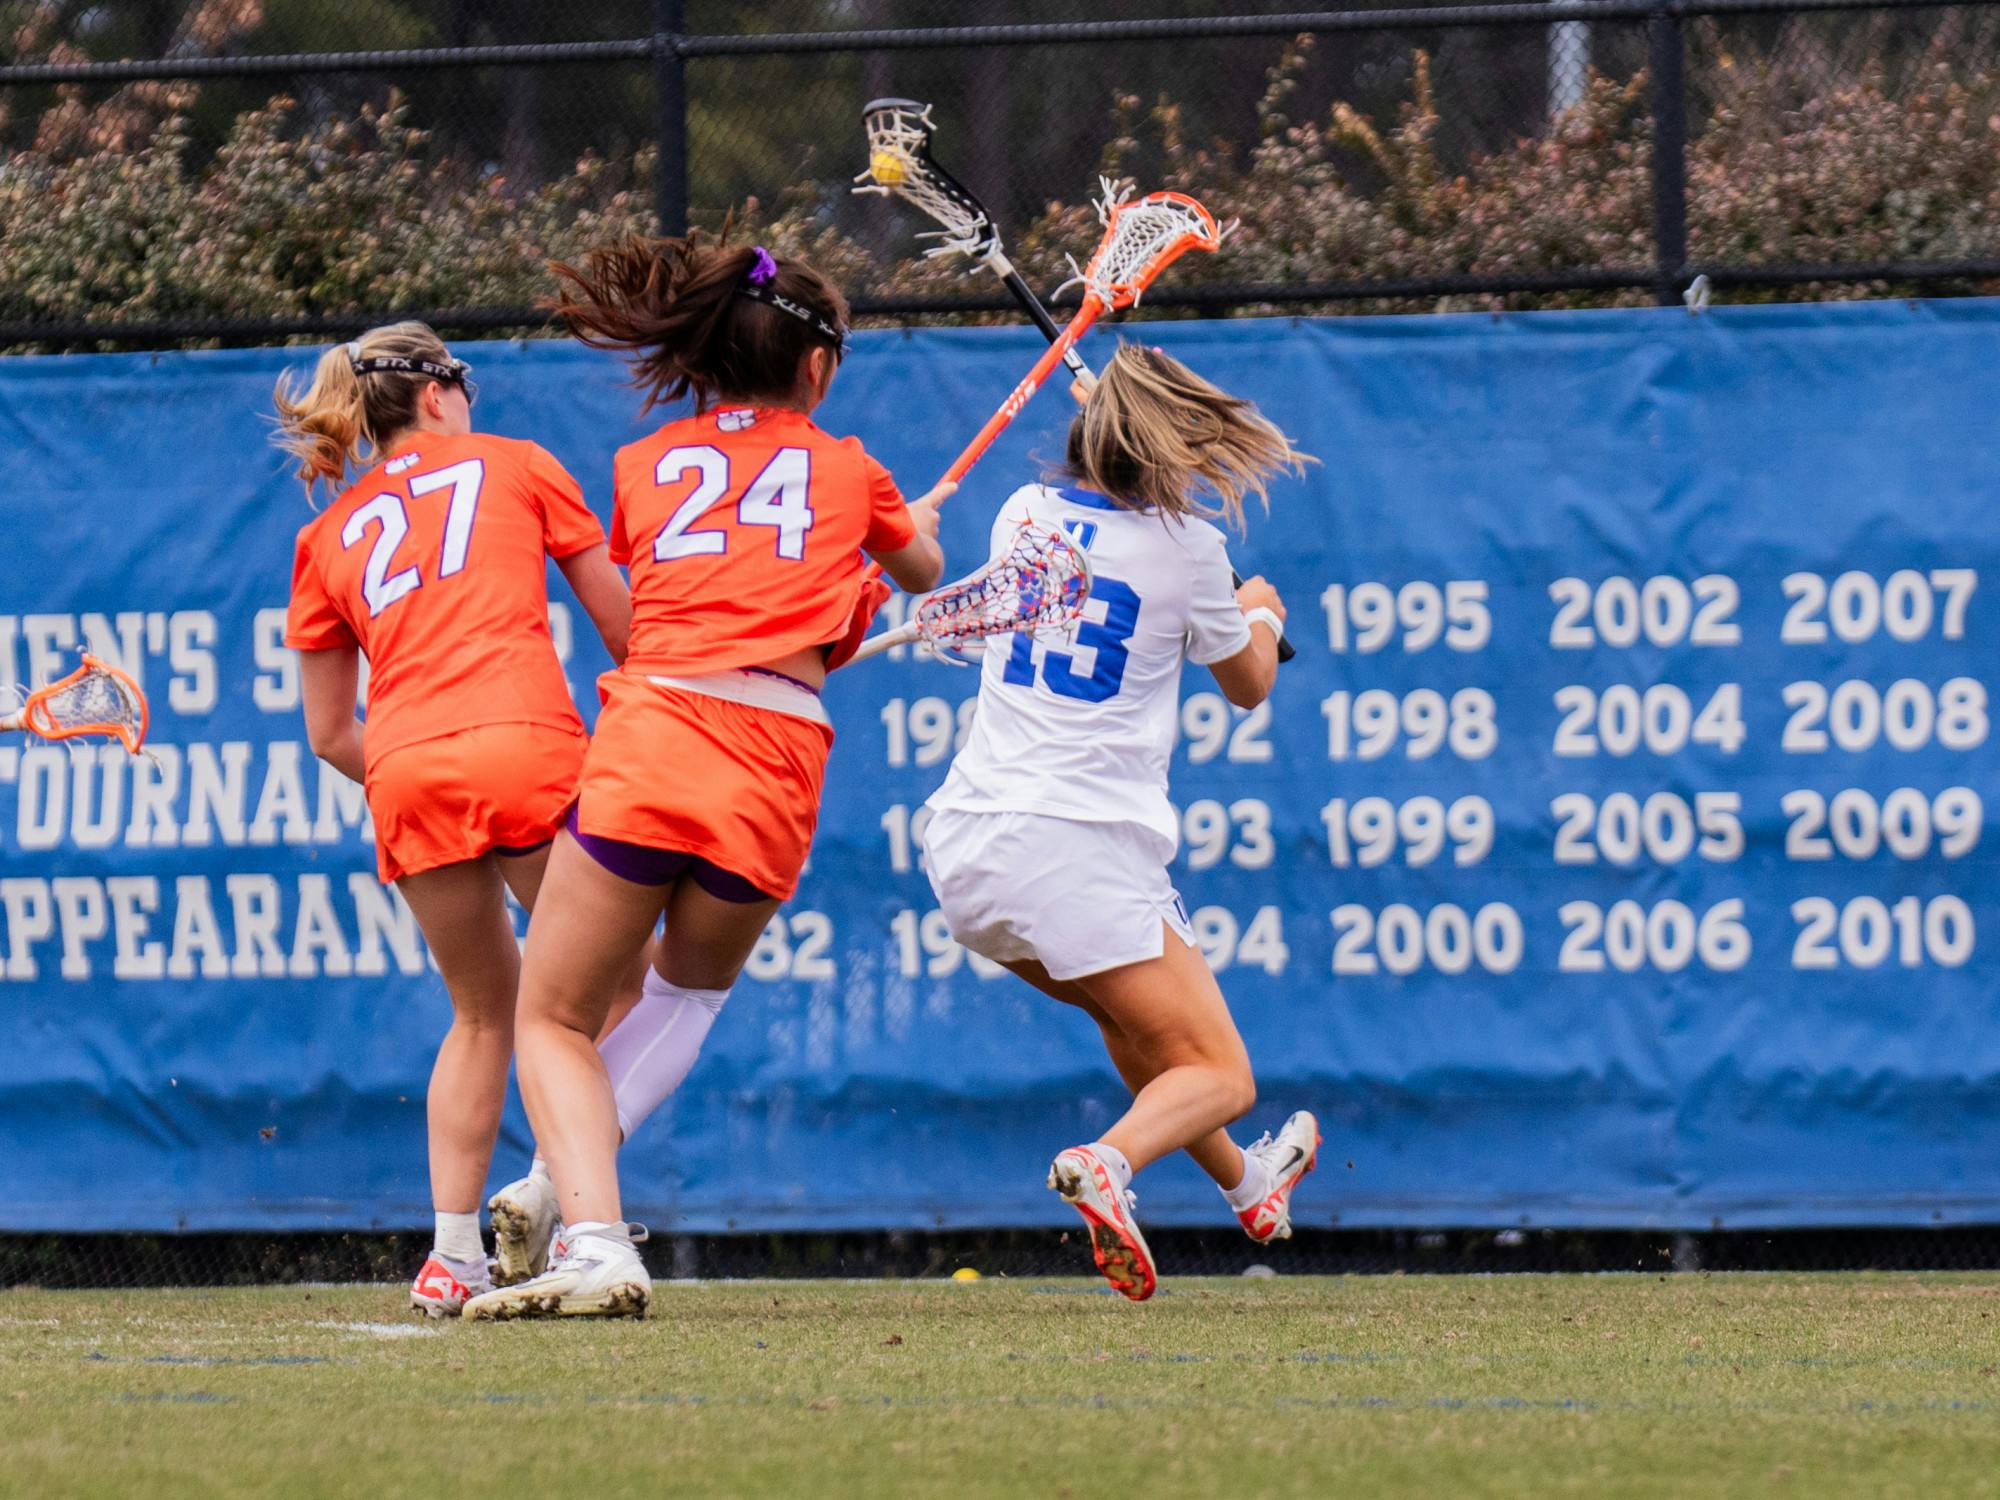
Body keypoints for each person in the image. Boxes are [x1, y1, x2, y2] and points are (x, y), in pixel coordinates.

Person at [463, 235, 948, 1320]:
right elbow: (920, 571)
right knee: (686, 990)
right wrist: (908, 528)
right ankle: (560, 1192)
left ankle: (592, 1234)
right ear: (816, 369)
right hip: (779, 753)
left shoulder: (643, 469)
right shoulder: (849, 464)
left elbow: (692, 584)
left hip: (660, 730)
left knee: (551, 1017)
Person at [921, 343, 1320, 1301]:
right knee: (1221, 1073)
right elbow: (1248, 685)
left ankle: (1249, 1184)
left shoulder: (1025, 513)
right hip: (1078, 850)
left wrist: (1129, 428)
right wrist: (1256, 611)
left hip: (967, 850)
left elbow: (1100, 516)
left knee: (1134, 1024)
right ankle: (1108, 1164)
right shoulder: (1192, 550)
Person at [276, 321, 635, 1317]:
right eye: (463, 382)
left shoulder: (326, 535)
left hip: (401, 768)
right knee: (605, 990)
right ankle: (556, 1194)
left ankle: (450, 1255)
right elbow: (623, 630)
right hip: (526, 744)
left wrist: (411, 763)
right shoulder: (517, 464)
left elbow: (326, 734)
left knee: (482, 1013)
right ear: (435, 392)